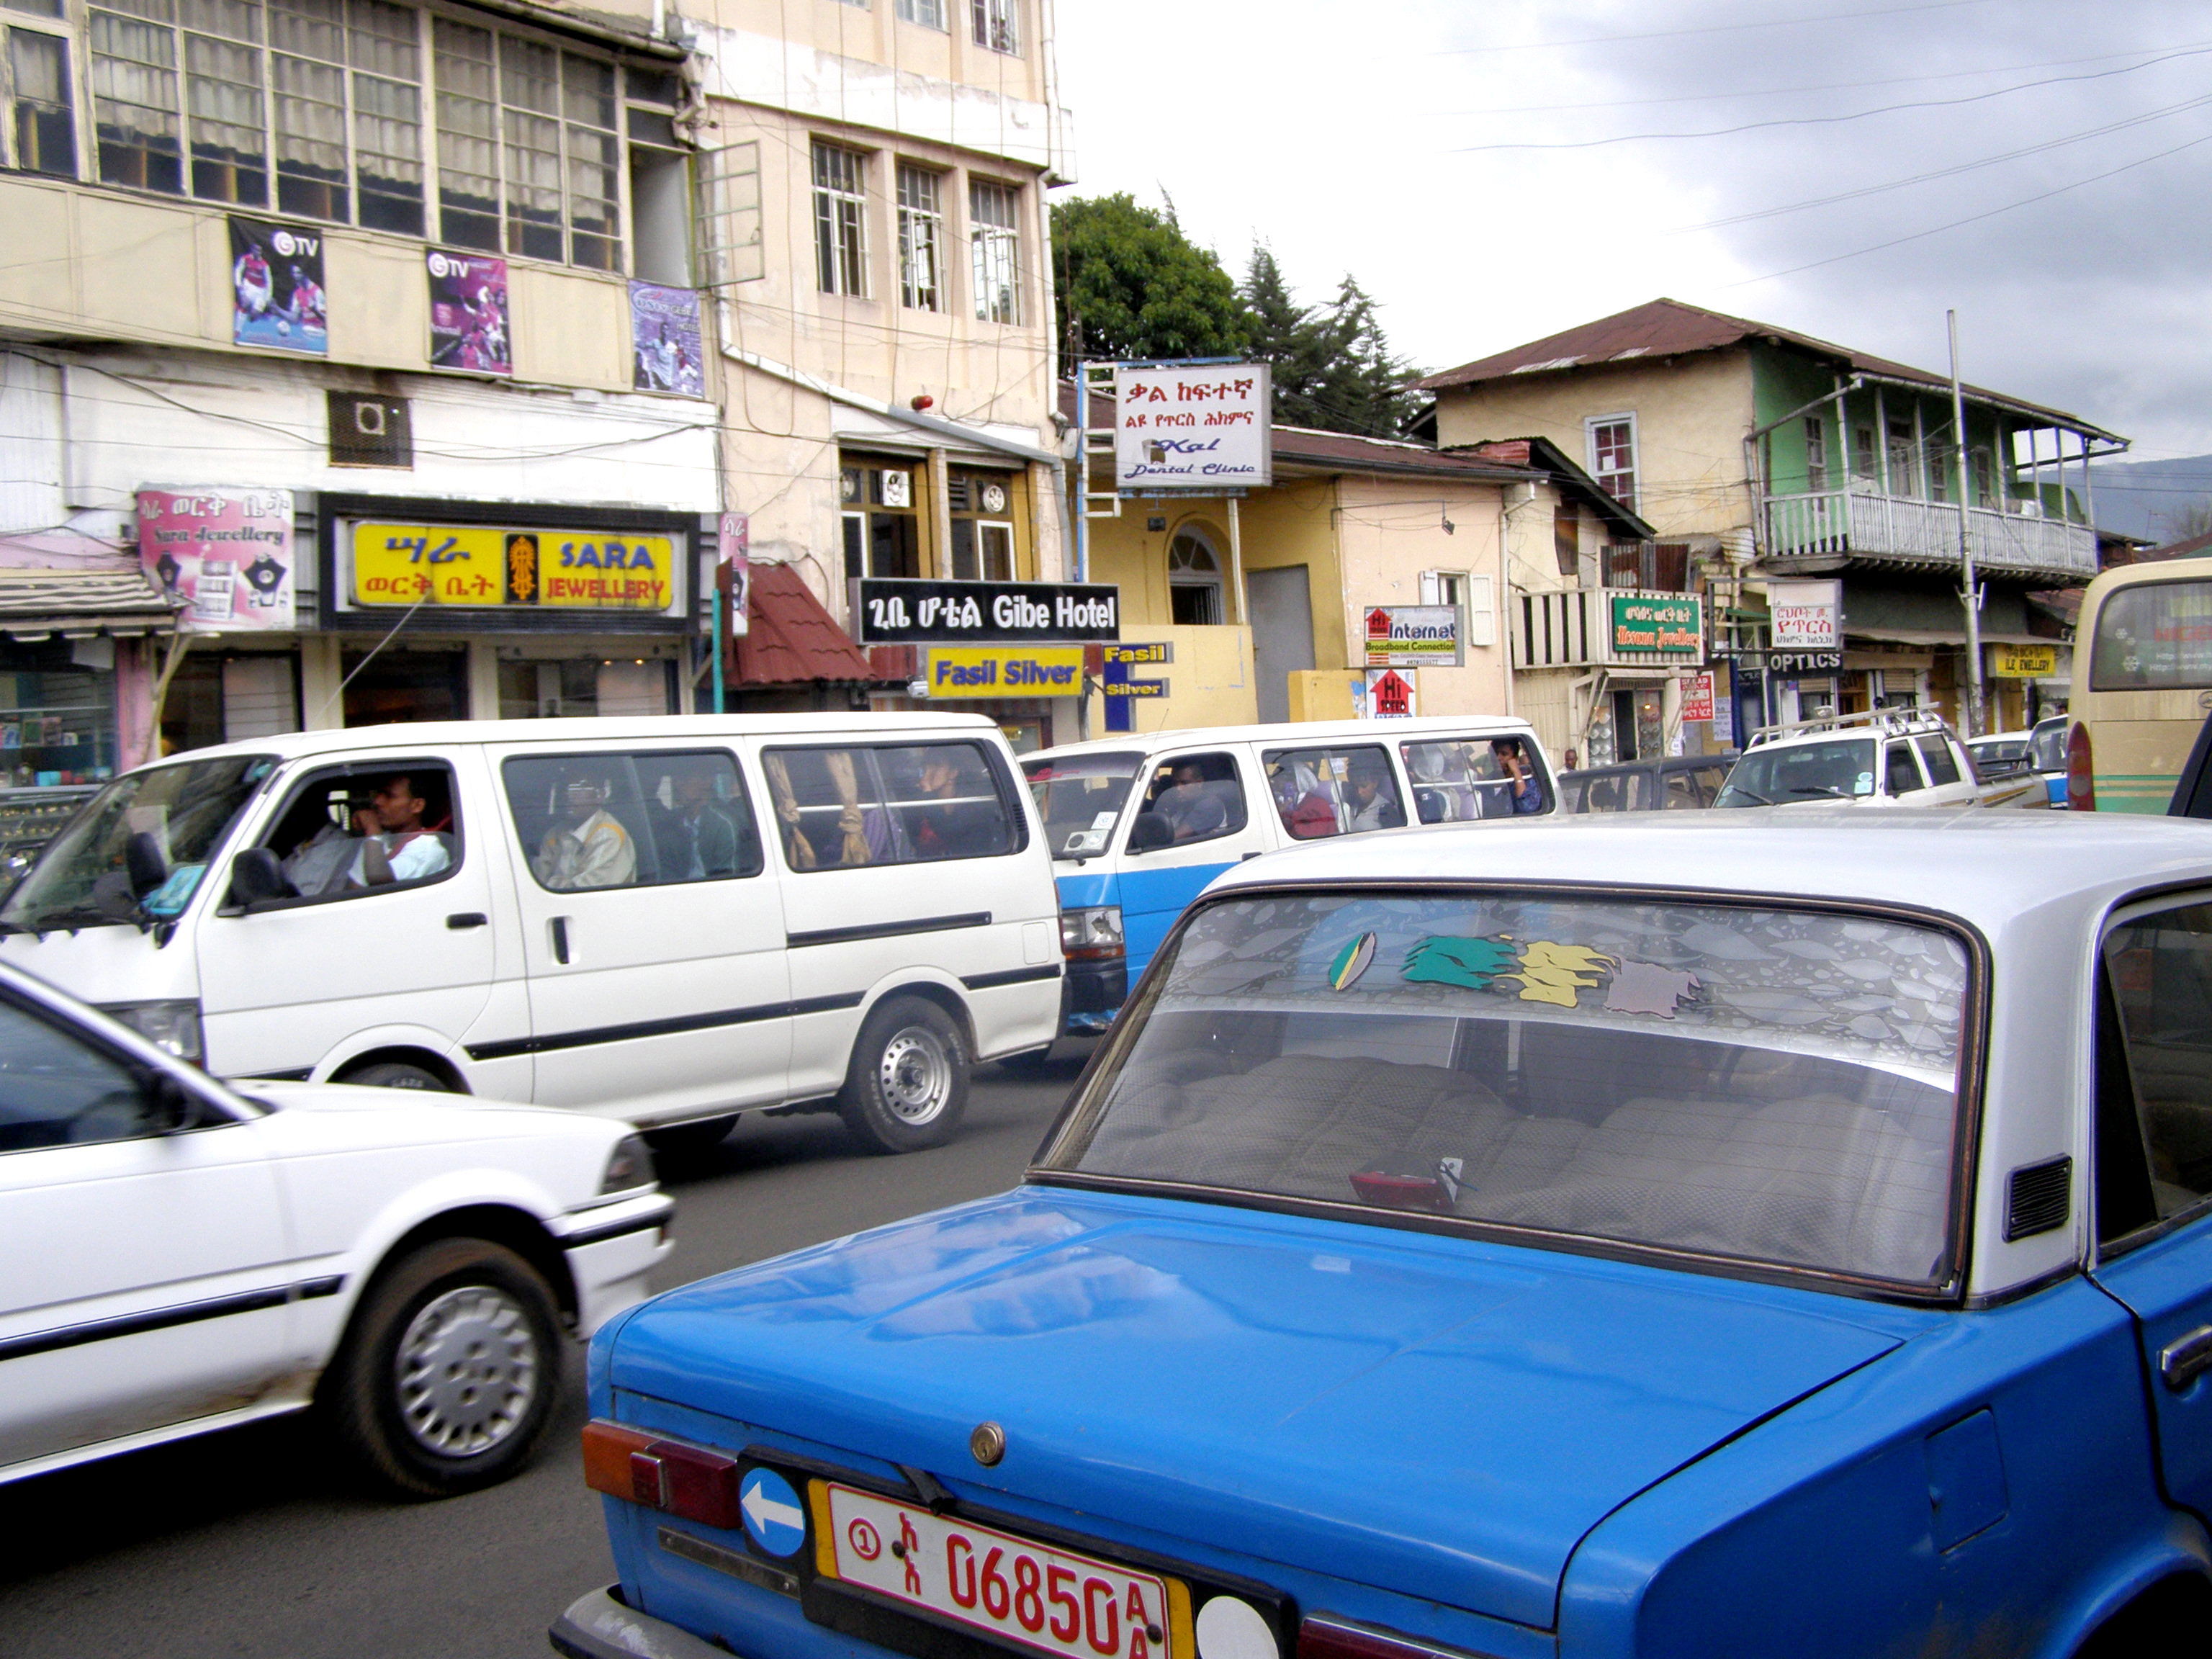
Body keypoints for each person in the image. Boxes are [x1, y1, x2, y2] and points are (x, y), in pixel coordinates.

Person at [282, 773, 449, 894]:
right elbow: (353, 890)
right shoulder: (378, 843)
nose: (377, 802)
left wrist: (373, 831)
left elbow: (380, 879)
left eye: (389, 796)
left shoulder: (428, 848)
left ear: (417, 806)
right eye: (378, 794)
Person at [535, 773, 637, 889]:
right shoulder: (555, 833)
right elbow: (537, 882)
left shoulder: (608, 835)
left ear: (600, 795)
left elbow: (582, 890)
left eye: (580, 788)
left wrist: (554, 883)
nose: (570, 794)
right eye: (565, 787)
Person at [665, 767, 746, 880]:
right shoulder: (674, 822)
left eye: (684, 779)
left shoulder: (723, 825)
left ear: (707, 781)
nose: (677, 785)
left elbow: (727, 879)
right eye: (675, 779)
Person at [1153, 761, 1229, 842]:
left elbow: (1174, 837)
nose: (1178, 788)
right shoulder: (1183, 803)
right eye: (1175, 783)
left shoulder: (1211, 805)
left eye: (1184, 783)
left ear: (1199, 783)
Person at [1345, 757, 1405, 833]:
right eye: (1355, 787)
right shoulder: (1351, 805)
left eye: (1364, 786)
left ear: (1375, 783)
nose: (1359, 792)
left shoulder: (1384, 810)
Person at [1491, 738, 1545, 815]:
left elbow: (1526, 808)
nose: (1498, 758)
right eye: (1495, 754)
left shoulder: (1528, 778)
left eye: (1504, 754)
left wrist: (1516, 773)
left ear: (1515, 758)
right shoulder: (1488, 780)